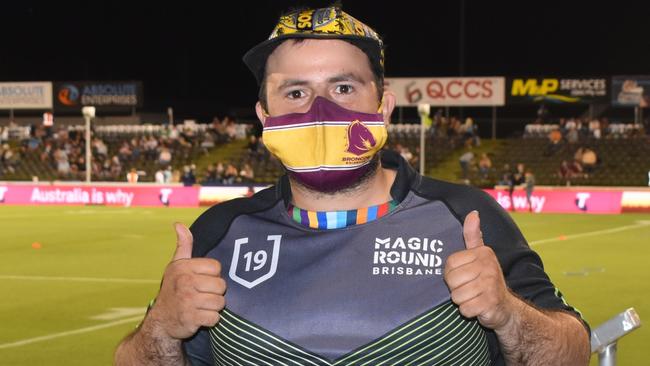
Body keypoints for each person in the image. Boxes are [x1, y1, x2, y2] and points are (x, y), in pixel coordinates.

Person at [115, 6, 590, 366]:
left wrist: (508, 314)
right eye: (295, 92)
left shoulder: (466, 217)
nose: (320, 109)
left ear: (383, 108)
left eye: (343, 88)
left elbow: (573, 352)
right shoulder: (218, 232)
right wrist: (162, 327)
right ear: (264, 116)